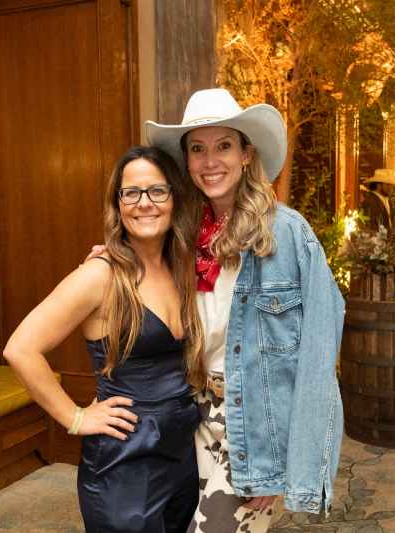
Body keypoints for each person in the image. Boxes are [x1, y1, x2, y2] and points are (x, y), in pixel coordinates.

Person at [146, 88, 344, 531]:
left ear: (246, 154)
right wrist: (108, 258)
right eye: (197, 148)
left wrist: (286, 456)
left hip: (255, 422)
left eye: (223, 146)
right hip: (191, 414)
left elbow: (318, 350)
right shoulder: (181, 236)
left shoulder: (288, 233)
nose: (209, 160)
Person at [3, 146, 205, 533]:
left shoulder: (181, 265)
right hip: (125, 462)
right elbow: (21, 348)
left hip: (182, 456)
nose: (144, 203)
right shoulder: (101, 274)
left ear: (174, 199)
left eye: (157, 191)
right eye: (132, 192)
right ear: (118, 204)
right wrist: (75, 418)